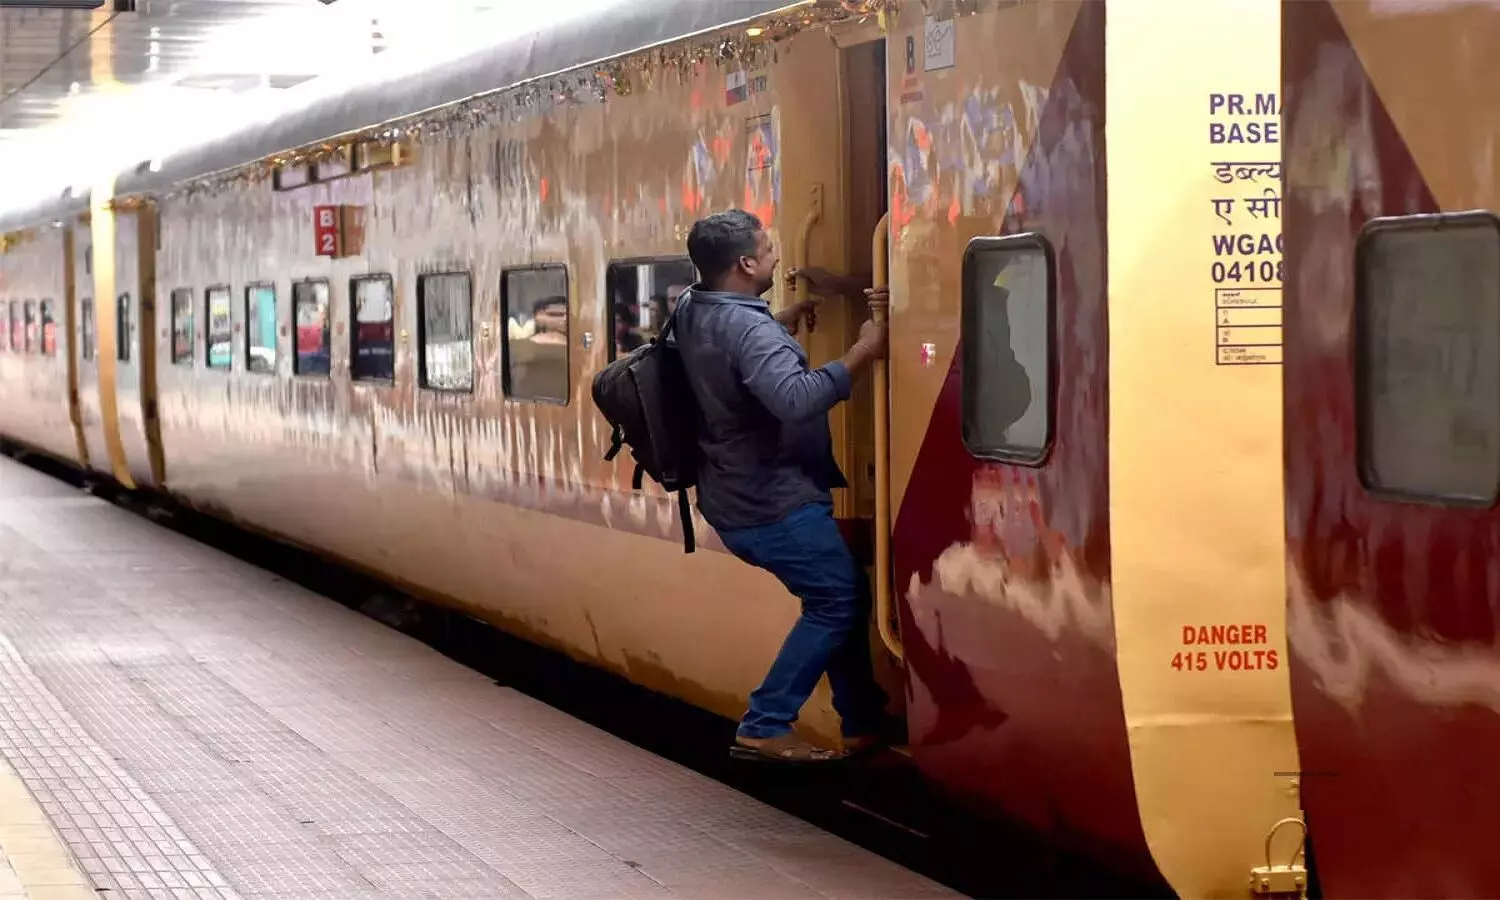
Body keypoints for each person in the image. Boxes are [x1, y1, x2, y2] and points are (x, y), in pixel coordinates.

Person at [674, 208, 890, 763]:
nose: (776, 256)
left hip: (733, 492)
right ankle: (766, 722)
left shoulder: (694, 305)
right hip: (771, 503)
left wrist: (777, 323)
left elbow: (727, 354)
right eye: (768, 249)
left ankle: (862, 720)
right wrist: (864, 351)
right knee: (837, 599)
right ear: (745, 265)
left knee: (839, 593)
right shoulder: (749, 329)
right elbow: (795, 400)